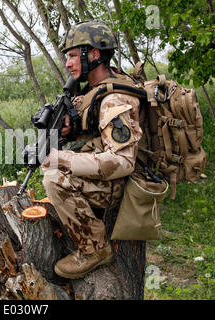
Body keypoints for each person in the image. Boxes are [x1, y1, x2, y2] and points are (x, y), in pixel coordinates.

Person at [40, 21, 144, 279]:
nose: (68, 64)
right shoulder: (102, 84)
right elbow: (97, 125)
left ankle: (94, 248)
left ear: (94, 54)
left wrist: (62, 159)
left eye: (73, 55)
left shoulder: (115, 99)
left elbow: (122, 162)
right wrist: (71, 130)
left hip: (127, 183)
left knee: (54, 177)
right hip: (116, 173)